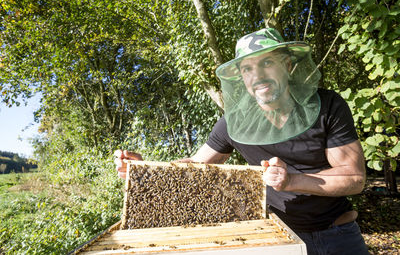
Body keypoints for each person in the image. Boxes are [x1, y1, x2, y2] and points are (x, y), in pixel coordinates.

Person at [114, 28, 369, 255]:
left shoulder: (328, 106)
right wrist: (146, 172)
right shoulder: (234, 122)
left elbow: (354, 178)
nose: (257, 76)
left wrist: (291, 180)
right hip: (277, 238)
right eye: (247, 68)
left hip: (337, 236)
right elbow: (194, 168)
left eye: (267, 63)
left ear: (288, 65)